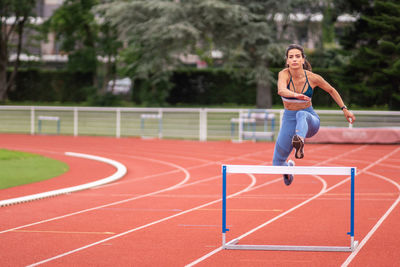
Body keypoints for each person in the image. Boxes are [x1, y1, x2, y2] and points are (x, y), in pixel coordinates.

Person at [273, 44, 356, 186]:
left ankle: (300, 140)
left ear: (303, 59)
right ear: (287, 61)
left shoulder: (313, 78)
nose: (294, 60)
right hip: (289, 120)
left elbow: (331, 90)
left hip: (310, 120)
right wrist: (296, 95)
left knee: (301, 114)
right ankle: (289, 172)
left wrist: (344, 109)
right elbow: (281, 90)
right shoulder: (284, 74)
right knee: (277, 164)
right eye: (291, 57)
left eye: (297, 56)